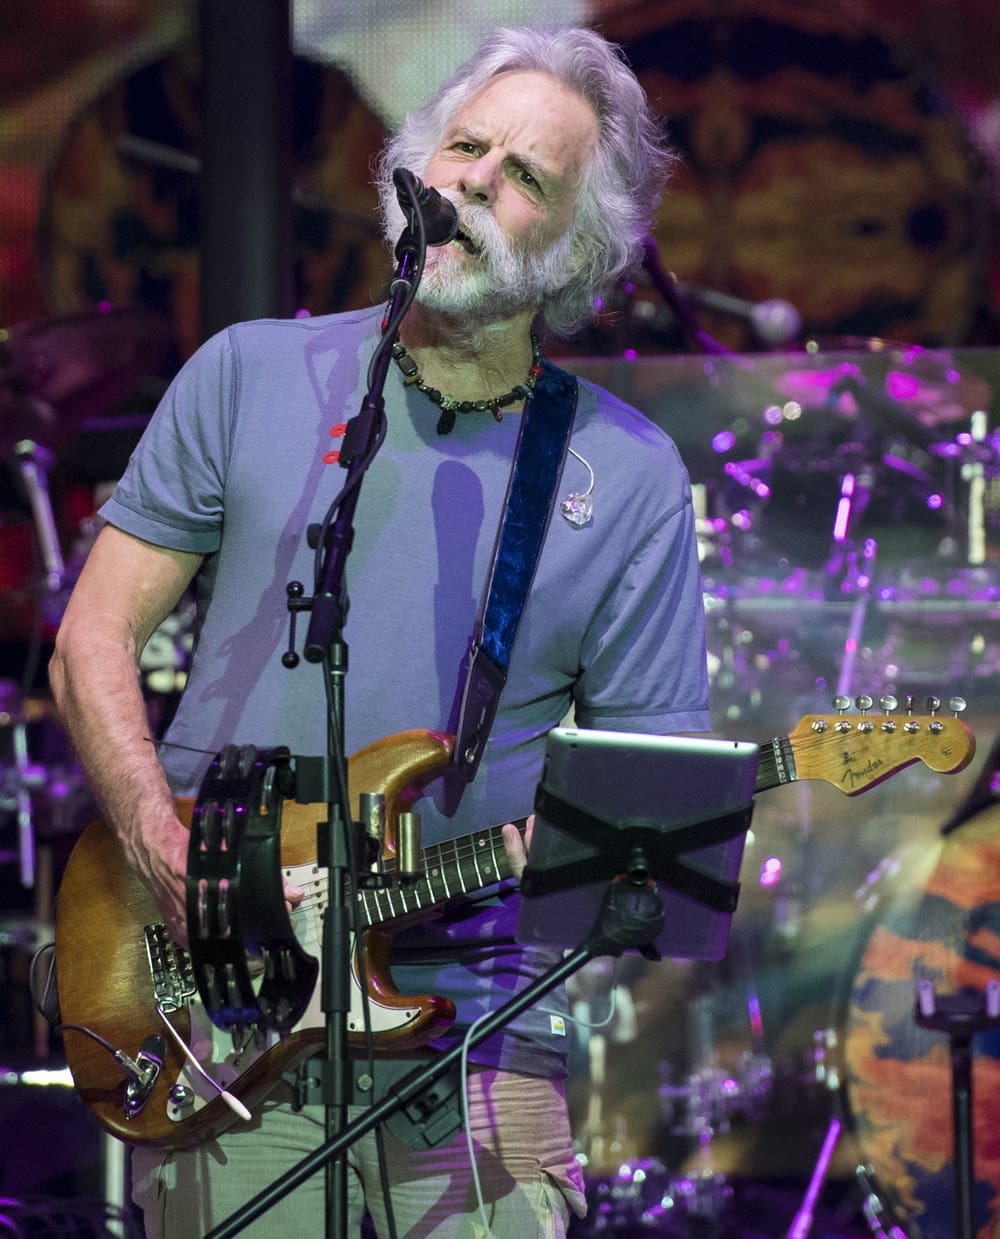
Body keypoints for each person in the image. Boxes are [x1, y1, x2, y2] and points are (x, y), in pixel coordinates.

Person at [48, 23, 712, 1239]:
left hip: (479, 1024)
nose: (475, 181)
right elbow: (90, 635)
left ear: (576, 250)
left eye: (525, 175)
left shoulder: (624, 473)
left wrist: (587, 868)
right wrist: (152, 833)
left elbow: (651, 802)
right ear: (413, 168)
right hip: (221, 1005)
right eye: (464, 147)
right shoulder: (247, 375)